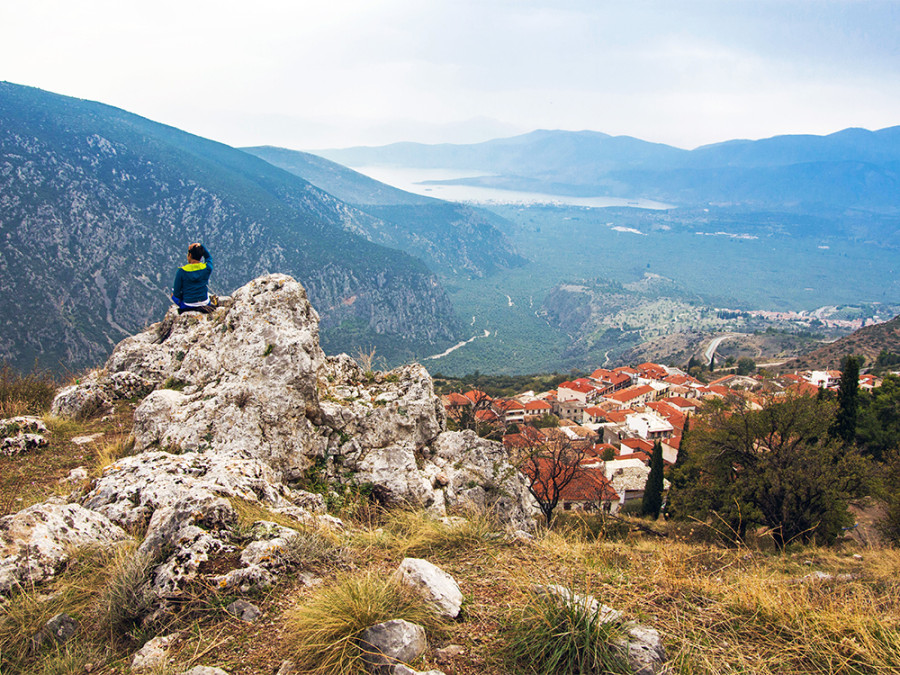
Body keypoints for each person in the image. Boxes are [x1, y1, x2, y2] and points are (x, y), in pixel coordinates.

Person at [171, 242, 215, 314]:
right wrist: (201, 246)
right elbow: (208, 257)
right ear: (201, 256)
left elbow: (176, 293)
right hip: (204, 302)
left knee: (173, 295)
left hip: (188, 304)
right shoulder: (207, 268)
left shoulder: (182, 271)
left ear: (190, 255)